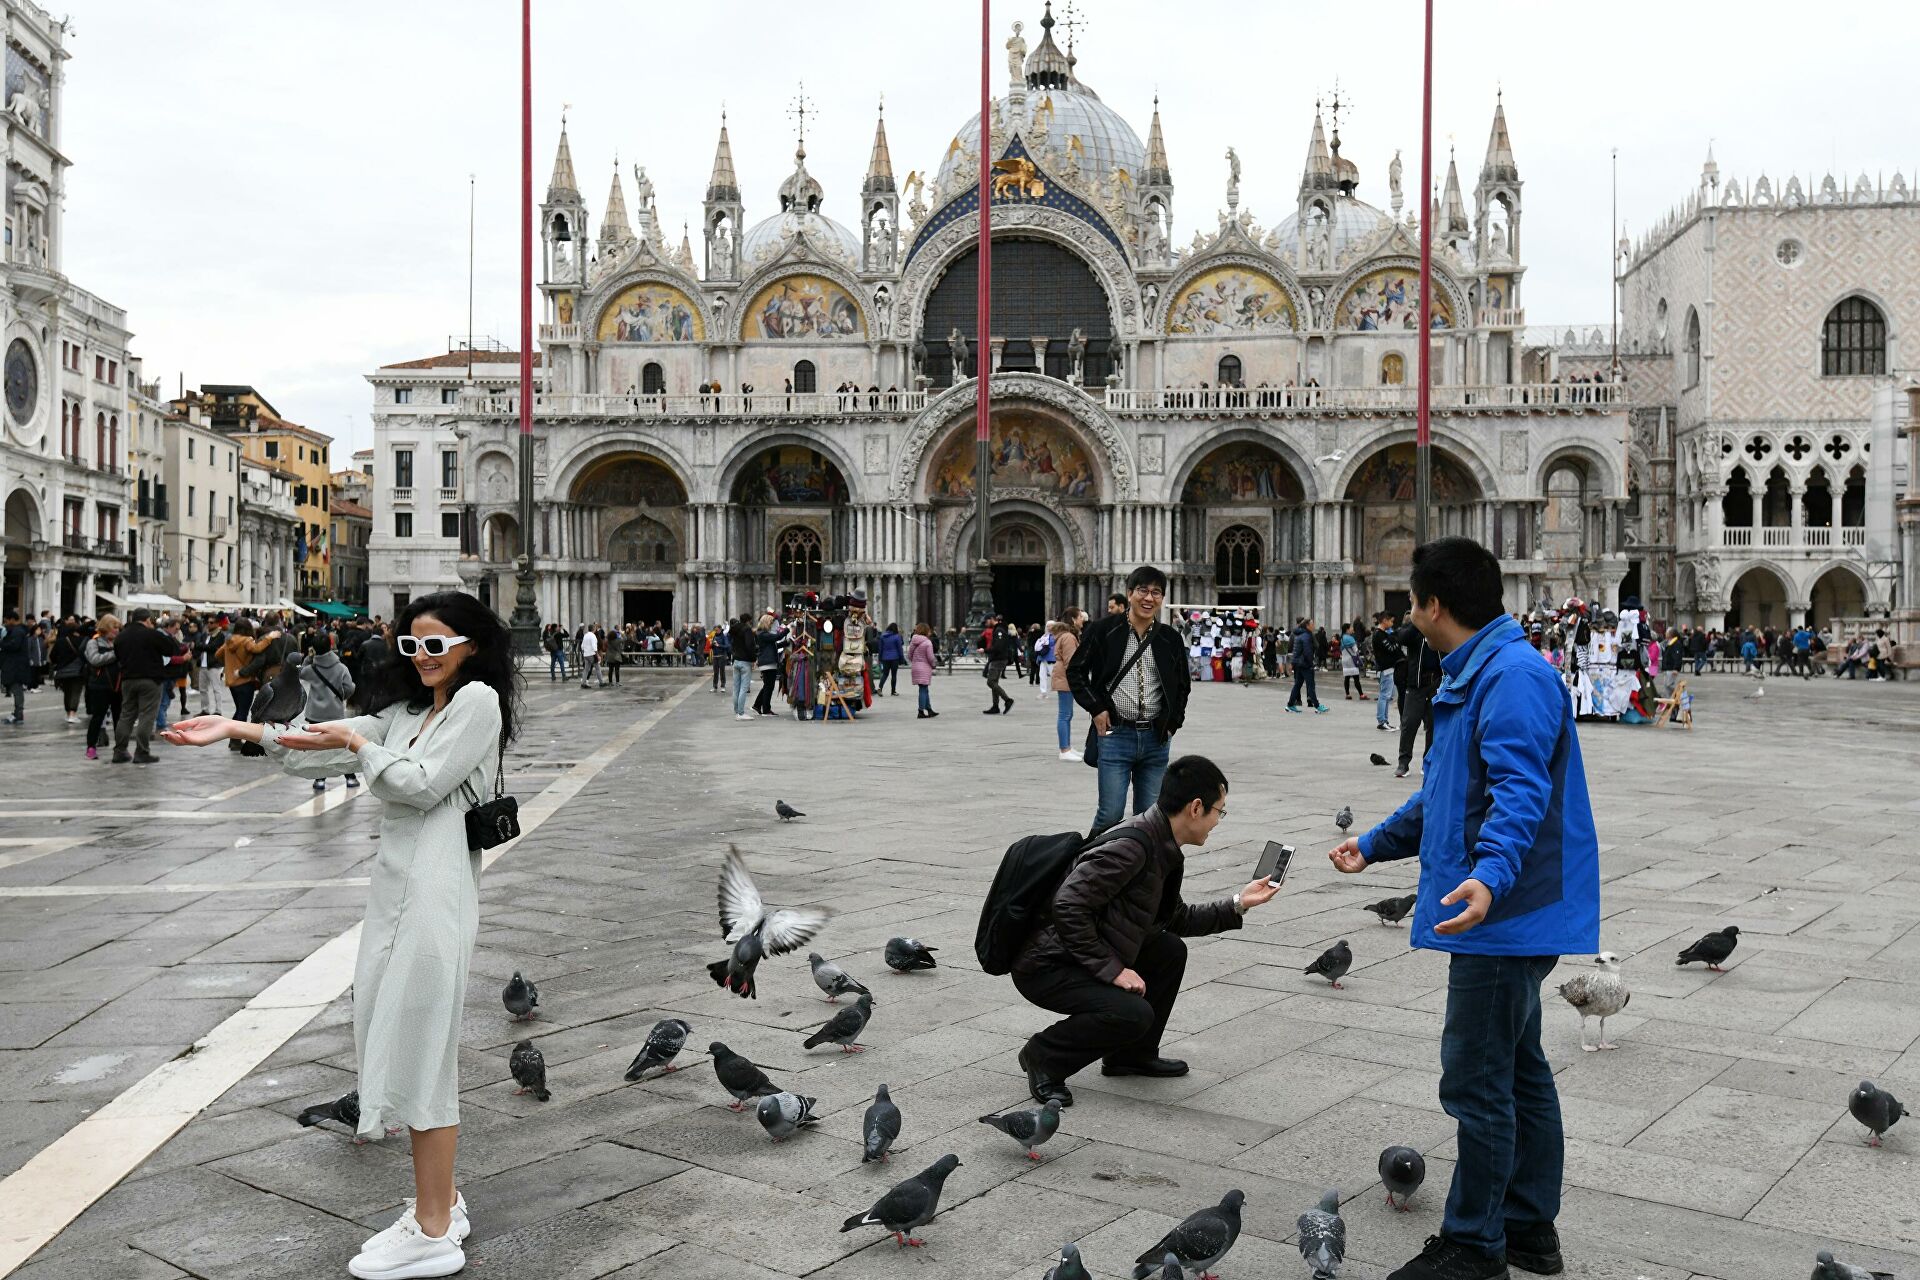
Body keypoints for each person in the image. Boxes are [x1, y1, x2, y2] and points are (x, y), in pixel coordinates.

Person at [163, 591, 518, 1280]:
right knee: (391, 1034)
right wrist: (236, 731)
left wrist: (361, 744)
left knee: (420, 1049)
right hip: (394, 892)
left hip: (437, 893)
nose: (421, 659)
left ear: (471, 646)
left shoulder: (477, 704)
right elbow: (320, 744)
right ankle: (440, 1199)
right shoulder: (408, 711)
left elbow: (419, 784)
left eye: (435, 645)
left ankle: (435, 1227)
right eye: (411, 646)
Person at [1329, 538, 1598, 1280]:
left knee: (1475, 1078)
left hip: (1497, 912)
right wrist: (1376, 845)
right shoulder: (1482, 672)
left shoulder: (1509, 678)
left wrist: (1489, 878)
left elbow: (1518, 792)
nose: (1408, 614)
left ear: (1433, 605)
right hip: (1500, 902)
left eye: (1411, 601)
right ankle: (1528, 1227)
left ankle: (1476, 1244)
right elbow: (1447, 790)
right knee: (1518, 1068)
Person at [1011, 755, 1282, 1106]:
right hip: (1046, 965)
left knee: (1169, 950)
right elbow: (1068, 906)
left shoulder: (1161, 843)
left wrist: (1238, 903)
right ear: (1196, 808)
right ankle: (1044, 1056)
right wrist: (1113, 970)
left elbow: (1174, 918)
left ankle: (1129, 1055)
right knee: (1131, 1012)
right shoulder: (1133, 847)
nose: (1219, 821)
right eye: (1220, 811)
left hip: (1075, 952)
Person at [1068, 565, 1191, 835]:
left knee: (1151, 820)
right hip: (1115, 734)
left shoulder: (1170, 638)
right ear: (1130, 593)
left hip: (1156, 738)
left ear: (1162, 598)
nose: (1149, 598)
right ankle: (1090, 872)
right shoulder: (1103, 630)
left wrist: (1173, 723)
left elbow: (1183, 684)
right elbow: (1075, 671)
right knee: (1109, 815)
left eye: (1156, 593)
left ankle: (1141, 875)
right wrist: (1096, 708)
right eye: (1143, 591)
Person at [112, 608, 186, 763]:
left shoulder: (121, 636)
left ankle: (120, 751)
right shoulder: (152, 634)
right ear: (146, 620)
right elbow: (170, 649)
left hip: (128, 679)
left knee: (126, 715)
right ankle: (141, 752)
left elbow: (117, 655)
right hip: (150, 680)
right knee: (147, 715)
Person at [300, 633, 360, 791]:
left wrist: (308, 657)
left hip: (315, 715)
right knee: (342, 745)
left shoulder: (311, 669)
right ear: (330, 646)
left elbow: (301, 672)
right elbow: (350, 687)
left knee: (320, 747)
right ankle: (350, 777)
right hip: (335, 713)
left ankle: (320, 780)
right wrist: (340, 697)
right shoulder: (341, 667)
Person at [1397, 618, 1441, 778]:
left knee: (1434, 725)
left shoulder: (1439, 629)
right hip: (1415, 684)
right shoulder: (1414, 629)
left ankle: (1428, 762)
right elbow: (1401, 637)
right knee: (1409, 724)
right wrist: (1417, 622)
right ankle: (1403, 763)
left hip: (1435, 684)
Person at [82, 614, 121, 759]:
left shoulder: (118, 642)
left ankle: (120, 747)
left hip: (118, 686)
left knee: (119, 718)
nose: (116, 631)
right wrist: (115, 654)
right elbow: (94, 659)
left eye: (118, 628)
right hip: (100, 686)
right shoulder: (94, 642)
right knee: (98, 717)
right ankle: (91, 747)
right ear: (105, 627)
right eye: (114, 627)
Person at [1050, 615, 1082, 760]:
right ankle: (1064, 749)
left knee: (1067, 714)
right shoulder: (1068, 637)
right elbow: (1071, 661)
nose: (1083, 619)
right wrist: (1077, 678)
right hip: (1065, 677)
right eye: (1080, 616)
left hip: (1062, 675)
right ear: (1073, 619)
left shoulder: (1064, 636)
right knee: (1065, 714)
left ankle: (1067, 747)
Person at [1285, 617, 1328, 713]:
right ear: (1307, 625)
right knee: (1311, 685)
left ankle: (1290, 704)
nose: (1314, 626)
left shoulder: (1298, 634)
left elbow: (1296, 651)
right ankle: (1317, 706)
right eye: (1312, 624)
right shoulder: (1306, 636)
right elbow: (1308, 651)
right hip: (1305, 663)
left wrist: (1293, 663)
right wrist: (1310, 662)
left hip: (1298, 663)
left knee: (1298, 684)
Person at [50, 619, 87, 724]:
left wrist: (59, 663)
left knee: (67, 692)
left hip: (63, 671)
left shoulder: (61, 641)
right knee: (76, 691)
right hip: (78, 671)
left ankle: (68, 713)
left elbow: (52, 656)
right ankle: (72, 713)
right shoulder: (83, 640)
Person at [1371, 613, 1402, 731]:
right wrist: (1398, 640)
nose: (1392, 624)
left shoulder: (1381, 634)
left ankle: (1384, 720)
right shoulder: (1379, 634)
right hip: (1386, 668)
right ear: (1384, 620)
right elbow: (1391, 648)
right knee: (1385, 695)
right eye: (1391, 621)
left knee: (1388, 695)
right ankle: (1382, 721)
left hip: (1387, 668)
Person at [982, 615, 1018, 714]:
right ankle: (995, 706)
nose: (986, 624)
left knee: (990, 682)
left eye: (986, 622)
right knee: (994, 682)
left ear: (991, 619)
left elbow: (998, 646)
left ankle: (1007, 700)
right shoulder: (999, 629)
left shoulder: (999, 630)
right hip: (998, 658)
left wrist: (985, 650)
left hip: (998, 659)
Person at [751, 611, 784, 716]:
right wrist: (788, 629)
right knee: (769, 686)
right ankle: (765, 709)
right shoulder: (763, 634)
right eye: (770, 623)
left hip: (768, 661)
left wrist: (786, 643)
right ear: (766, 623)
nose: (772, 625)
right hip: (767, 662)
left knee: (767, 686)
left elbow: (773, 645)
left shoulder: (763, 634)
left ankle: (757, 705)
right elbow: (777, 638)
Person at [1, 609, 31, 724]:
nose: (5, 624)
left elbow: (13, 646)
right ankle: (17, 713)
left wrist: (2, 644)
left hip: (16, 666)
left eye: (6, 621)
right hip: (15, 665)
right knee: (16, 689)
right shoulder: (17, 631)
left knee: (16, 689)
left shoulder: (17, 632)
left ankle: (18, 713)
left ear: (12, 620)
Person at [727, 614, 756, 719]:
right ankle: (741, 713)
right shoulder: (747, 630)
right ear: (748, 621)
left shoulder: (734, 630)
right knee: (744, 688)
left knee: (736, 688)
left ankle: (736, 710)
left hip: (736, 660)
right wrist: (753, 659)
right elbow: (749, 646)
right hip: (745, 661)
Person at [908, 621, 938, 718]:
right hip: (924, 667)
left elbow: (909, 655)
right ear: (926, 631)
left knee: (924, 689)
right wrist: (934, 664)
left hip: (916, 667)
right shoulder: (927, 642)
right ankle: (920, 711)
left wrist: (916, 661)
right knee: (923, 689)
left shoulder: (913, 641)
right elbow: (930, 657)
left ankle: (929, 709)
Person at [876, 622, 905, 698]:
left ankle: (880, 688)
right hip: (894, 658)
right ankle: (893, 691)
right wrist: (901, 658)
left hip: (885, 658)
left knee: (885, 674)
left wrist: (880, 658)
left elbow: (880, 649)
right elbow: (900, 649)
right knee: (894, 675)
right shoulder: (897, 637)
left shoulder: (882, 636)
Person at [578, 623, 601, 688]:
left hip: (586, 655)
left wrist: (584, 652)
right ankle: (601, 682)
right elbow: (594, 646)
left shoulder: (585, 635)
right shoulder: (593, 636)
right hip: (592, 654)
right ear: (594, 629)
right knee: (598, 668)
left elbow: (582, 646)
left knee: (586, 669)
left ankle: (583, 683)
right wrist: (597, 655)